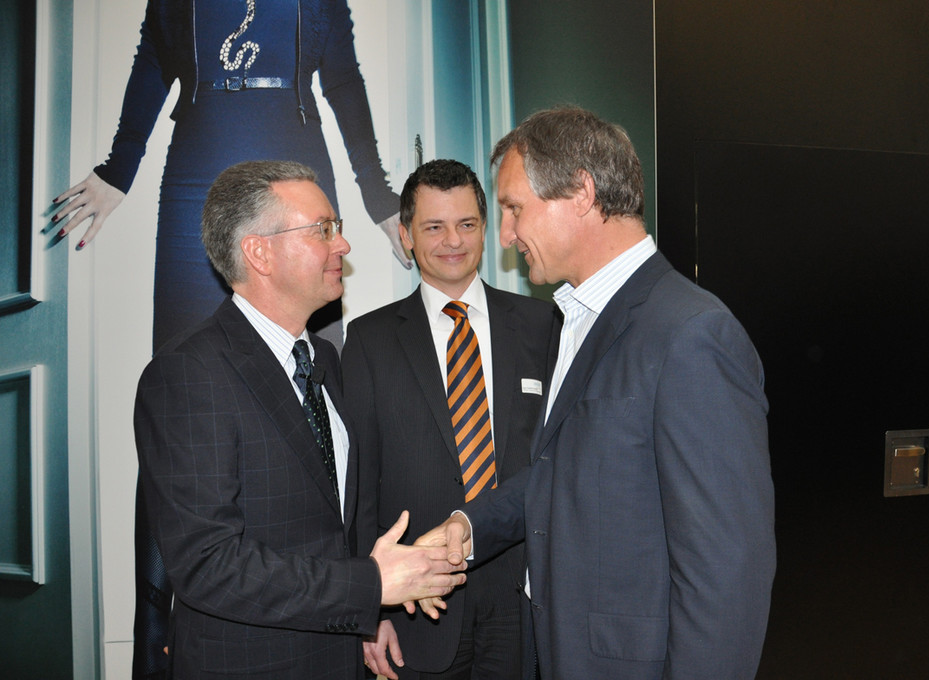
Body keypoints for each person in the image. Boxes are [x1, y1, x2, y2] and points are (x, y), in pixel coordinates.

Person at [53, 3, 407, 674]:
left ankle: (342, 615)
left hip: (296, 145)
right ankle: (164, 639)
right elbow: (154, 57)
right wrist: (119, 166)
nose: (344, 248)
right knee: (190, 404)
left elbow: (343, 77)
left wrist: (378, 193)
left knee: (314, 403)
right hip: (200, 155)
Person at [418, 107, 776, 679]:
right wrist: (469, 525)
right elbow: (562, 470)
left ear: (581, 192)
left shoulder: (691, 334)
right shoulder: (576, 318)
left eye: (514, 208)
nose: (505, 235)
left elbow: (726, 572)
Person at [133, 160, 465, 679]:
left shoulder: (322, 359)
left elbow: (330, 523)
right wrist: (371, 585)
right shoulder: (188, 374)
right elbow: (208, 566)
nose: (343, 245)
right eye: (323, 229)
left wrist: (369, 611)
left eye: (338, 227)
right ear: (259, 252)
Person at [340, 159, 560, 679]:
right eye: (434, 227)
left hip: (525, 597)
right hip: (417, 606)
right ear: (406, 235)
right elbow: (361, 489)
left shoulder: (544, 325)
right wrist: (372, 610)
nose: (453, 241)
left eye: (466, 224)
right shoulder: (370, 340)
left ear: (485, 229)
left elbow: (558, 460)